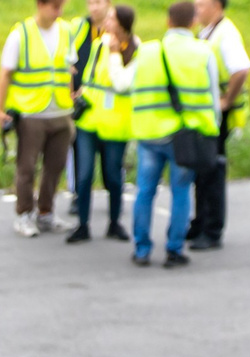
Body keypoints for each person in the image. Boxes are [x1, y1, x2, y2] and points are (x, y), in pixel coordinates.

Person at [127, 1, 222, 267]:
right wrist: (212, 128)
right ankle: (174, 249)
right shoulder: (203, 53)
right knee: (180, 192)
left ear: (168, 21)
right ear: (193, 22)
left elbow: (129, 85)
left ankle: (142, 249)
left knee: (145, 191)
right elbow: (214, 98)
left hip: (149, 134)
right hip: (185, 137)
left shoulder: (145, 51)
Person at [0, 0, 78, 236]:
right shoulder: (21, 34)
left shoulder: (66, 31)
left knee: (55, 166)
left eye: (61, 6)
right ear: (40, 5)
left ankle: (46, 212)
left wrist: (71, 100)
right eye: (55, 6)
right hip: (32, 113)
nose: (59, 12)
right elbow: (5, 74)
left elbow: (68, 69)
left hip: (61, 111)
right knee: (27, 167)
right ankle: (24, 214)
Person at [68, 1, 138, 242]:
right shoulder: (99, 45)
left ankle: (114, 222)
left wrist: (116, 54)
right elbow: (88, 76)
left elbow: (122, 83)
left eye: (111, 20)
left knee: (113, 175)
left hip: (115, 123)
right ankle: (83, 225)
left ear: (122, 25)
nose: (106, 24)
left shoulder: (135, 49)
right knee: (84, 174)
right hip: (89, 120)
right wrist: (79, 94)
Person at [187, 0, 250, 251]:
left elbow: (241, 69)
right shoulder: (207, 32)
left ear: (216, 5)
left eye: (201, 4)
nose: (197, 9)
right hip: (207, 113)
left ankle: (212, 230)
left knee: (212, 171)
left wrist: (227, 100)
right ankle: (200, 222)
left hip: (218, 115)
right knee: (202, 170)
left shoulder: (226, 34)